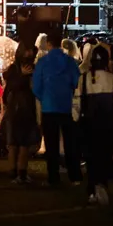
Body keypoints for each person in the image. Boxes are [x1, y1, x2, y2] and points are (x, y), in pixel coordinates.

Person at [32, 34, 82, 186]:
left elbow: (36, 86)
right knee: (70, 143)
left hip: (49, 106)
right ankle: (75, 176)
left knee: (51, 145)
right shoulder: (70, 61)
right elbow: (76, 81)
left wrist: (44, 98)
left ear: (48, 44)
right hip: (65, 106)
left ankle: (53, 177)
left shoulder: (42, 62)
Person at [78, 44, 113, 206]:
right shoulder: (111, 78)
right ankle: (102, 185)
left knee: (90, 157)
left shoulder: (84, 78)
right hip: (107, 123)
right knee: (104, 155)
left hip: (89, 123)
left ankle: (92, 188)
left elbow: (76, 102)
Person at [2, 43, 40, 183]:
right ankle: (19, 171)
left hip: (19, 107)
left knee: (18, 141)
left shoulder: (16, 68)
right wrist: (23, 77)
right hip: (21, 108)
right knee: (20, 141)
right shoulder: (17, 69)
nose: (30, 54)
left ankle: (17, 171)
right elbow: (12, 87)